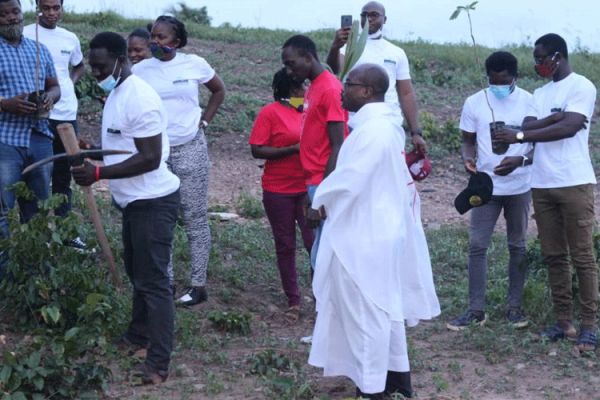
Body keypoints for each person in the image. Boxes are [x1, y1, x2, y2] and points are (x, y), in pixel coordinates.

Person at [307, 63, 439, 399]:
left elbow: (352, 177)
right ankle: (396, 383)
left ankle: (372, 389)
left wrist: (318, 202)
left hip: (366, 237)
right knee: (384, 311)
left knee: (366, 315)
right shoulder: (381, 126)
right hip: (374, 228)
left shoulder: (375, 131)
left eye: (348, 84)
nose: (342, 90)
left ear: (366, 91)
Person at [72, 31, 180, 384]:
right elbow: (123, 146)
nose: (96, 73)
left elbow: (148, 158)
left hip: (153, 201)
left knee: (153, 282)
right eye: (93, 67)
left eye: (102, 67)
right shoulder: (117, 94)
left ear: (122, 60)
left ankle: (158, 363)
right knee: (138, 273)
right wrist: (94, 151)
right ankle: (138, 335)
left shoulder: (140, 98)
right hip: (133, 201)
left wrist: (99, 172)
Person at [493, 33, 598, 351]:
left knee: (582, 256)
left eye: (541, 59)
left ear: (558, 56)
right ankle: (563, 322)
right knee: (554, 256)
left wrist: (524, 134)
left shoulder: (582, 86)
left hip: (574, 181)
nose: (537, 64)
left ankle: (590, 326)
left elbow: (568, 127)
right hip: (541, 182)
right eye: (535, 59)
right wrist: (522, 154)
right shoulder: (539, 93)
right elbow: (538, 130)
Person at [133, 15, 226, 306]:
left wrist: (205, 122)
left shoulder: (194, 64)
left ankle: (198, 285)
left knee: (194, 217)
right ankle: (167, 282)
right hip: (156, 152)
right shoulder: (140, 70)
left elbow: (219, 90)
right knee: (163, 219)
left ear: (176, 41)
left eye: (161, 37)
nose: (155, 42)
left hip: (191, 148)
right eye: (153, 36)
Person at [447, 51, 534, 331]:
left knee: (517, 245)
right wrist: (467, 159)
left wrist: (519, 160)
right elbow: (467, 140)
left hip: (520, 185)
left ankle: (515, 307)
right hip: (486, 186)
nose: (498, 86)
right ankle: (476, 310)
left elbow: (537, 147)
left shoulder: (530, 102)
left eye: (504, 82)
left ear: (515, 78)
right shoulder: (475, 102)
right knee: (477, 246)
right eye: (493, 81)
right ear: (487, 78)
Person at [248, 68, 314, 323]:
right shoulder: (271, 112)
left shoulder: (307, 109)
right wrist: (292, 149)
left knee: (313, 243)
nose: (306, 90)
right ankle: (293, 299)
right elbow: (257, 149)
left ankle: (321, 297)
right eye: (301, 86)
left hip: (307, 187)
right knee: (285, 245)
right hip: (278, 189)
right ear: (290, 88)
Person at [0, 0, 60, 276]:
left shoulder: (39, 49)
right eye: (3, 15)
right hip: (5, 139)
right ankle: (4, 275)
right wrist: (5, 104)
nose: (11, 18)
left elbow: (55, 86)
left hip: (39, 137)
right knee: (2, 208)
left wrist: (49, 98)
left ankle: (35, 274)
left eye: (14, 12)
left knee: (37, 209)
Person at [281, 34, 347, 270]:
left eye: (291, 64)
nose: (289, 71)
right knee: (319, 256)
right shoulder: (314, 87)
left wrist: (322, 197)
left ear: (308, 57)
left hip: (323, 181)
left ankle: (328, 307)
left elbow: (339, 146)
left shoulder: (329, 88)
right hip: (313, 181)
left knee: (324, 260)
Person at [326, 1, 426, 154]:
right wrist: (335, 47)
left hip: (389, 122)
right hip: (354, 122)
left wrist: (416, 132)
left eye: (374, 15)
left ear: (384, 19)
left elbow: (406, 93)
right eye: (364, 15)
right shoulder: (349, 47)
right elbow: (334, 72)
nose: (369, 19)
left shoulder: (396, 52)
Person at [23, 0, 85, 247]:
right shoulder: (26, 33)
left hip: (66, 112)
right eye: (46, 7)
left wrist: (69, 82)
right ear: (36, 5)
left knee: (64, 173)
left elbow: (79, 65)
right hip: (36, 114)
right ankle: (37, 235)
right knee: (37, 174)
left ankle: (66, 232)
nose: (51, 13)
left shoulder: (69, 37)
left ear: (62, 8)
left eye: (55, 7)